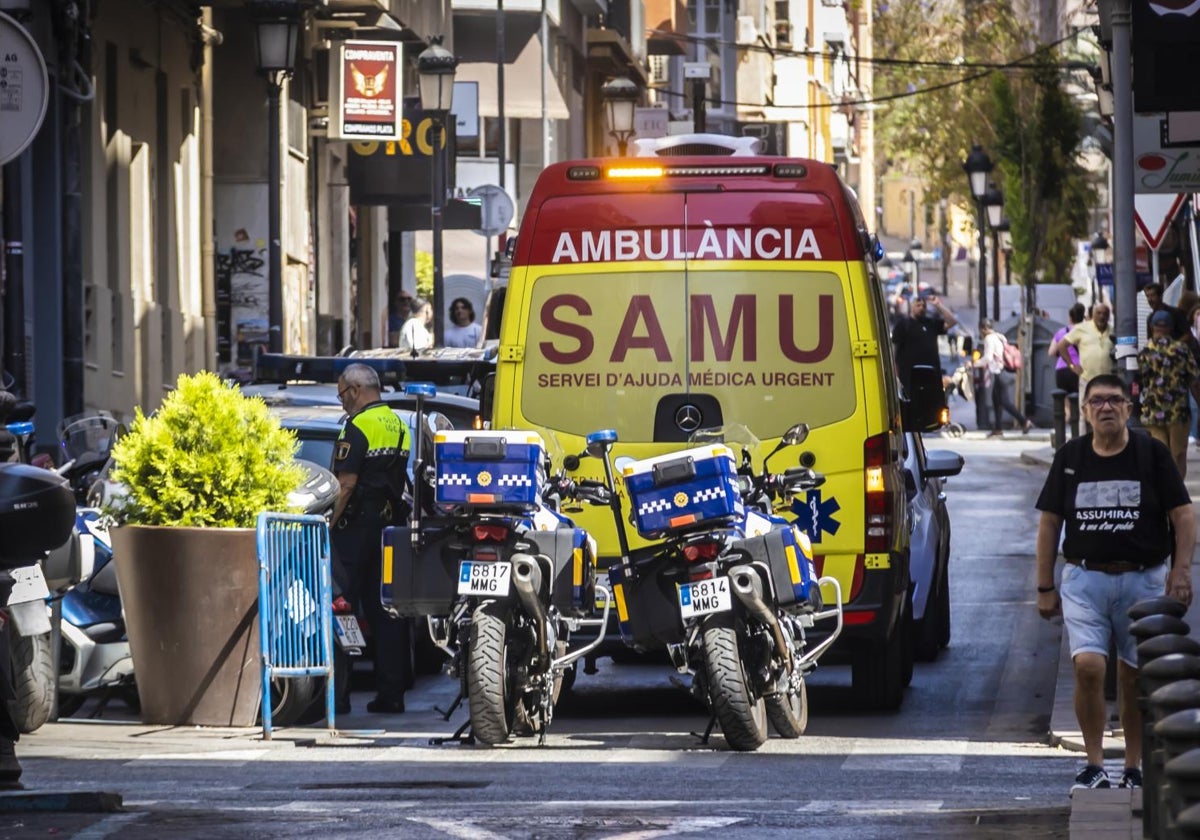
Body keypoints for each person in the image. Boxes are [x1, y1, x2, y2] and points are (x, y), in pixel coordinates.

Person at [1035, 374, 1195, 792]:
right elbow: (1050, 523)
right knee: (1088, 668)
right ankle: (1093, 764)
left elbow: (1183, 516)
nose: (1106, 407)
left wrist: (1180, 573)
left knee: (1134, 677)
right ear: (1085, 411)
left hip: (1145, 582)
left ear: (1128, 408)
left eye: (1114, 400)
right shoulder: (1070, 457)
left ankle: (1133, 767)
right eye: (1097, 401)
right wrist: (1044, 586)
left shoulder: (1152, 455)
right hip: (1085, 579)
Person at [330, 363, 414, 714]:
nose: (342, 402)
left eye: (342, 395)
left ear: (356, 389)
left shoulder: (357, 426)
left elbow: (346, 484)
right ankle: (391, 694)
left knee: (341, 605)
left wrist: (330, 523)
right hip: (389, 529)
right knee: (386, 612)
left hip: (355, 530)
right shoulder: (399, 425)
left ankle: (339, 695)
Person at [1138, 308, 1199, 478]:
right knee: (1178, 454)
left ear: (1152, 327)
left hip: (1152, 413)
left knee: (1160, 454)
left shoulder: (1145, 352)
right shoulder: (1181, 350)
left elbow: (1139, 381)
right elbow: (1194, 382)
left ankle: (1163, 489)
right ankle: (1177, 491)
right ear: (1171, 328)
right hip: (1177, 413)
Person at [1058, 302, 1114, 432]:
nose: (1101, 317)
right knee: (1085, 413)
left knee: (1105, 413)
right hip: (1087, 379)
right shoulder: (1082, 328)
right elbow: (1062, 346)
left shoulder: (1113, 331)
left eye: (1105, 314)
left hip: (1108, 380)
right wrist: (1072, 365)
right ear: (1092, 315)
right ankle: (1083, 445)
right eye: (1098, 313)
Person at [890, 289, 958, 394]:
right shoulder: (903, 325)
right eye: (918, 305)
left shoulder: (931, 323)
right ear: (912, 306)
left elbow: (952, 322)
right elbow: (895, 348)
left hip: (931, 376)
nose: (921, 308)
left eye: (924, 306)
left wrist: (938, 305)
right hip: (909, 378)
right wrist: (895, 371)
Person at [975, 319, 1031, 436]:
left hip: (998, 373)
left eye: (981, 330)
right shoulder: (999, 337)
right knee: (997, 401)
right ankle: (998, 428)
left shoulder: (989, 339)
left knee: (1004, 402)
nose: (981, 333)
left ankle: (1024, 421)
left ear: (984, 329)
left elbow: (988, 358)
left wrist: (973, 364)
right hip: (1000, 371)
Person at [1049, 302, 1086, 436]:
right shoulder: (1085, 330)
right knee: (1079, 401)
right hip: (1079, 369)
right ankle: (1078, 434)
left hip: (1062, 370)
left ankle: (1060, 435)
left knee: (1064, 406)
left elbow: (1051, 352)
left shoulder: (1062, 332)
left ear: (1070, 317)